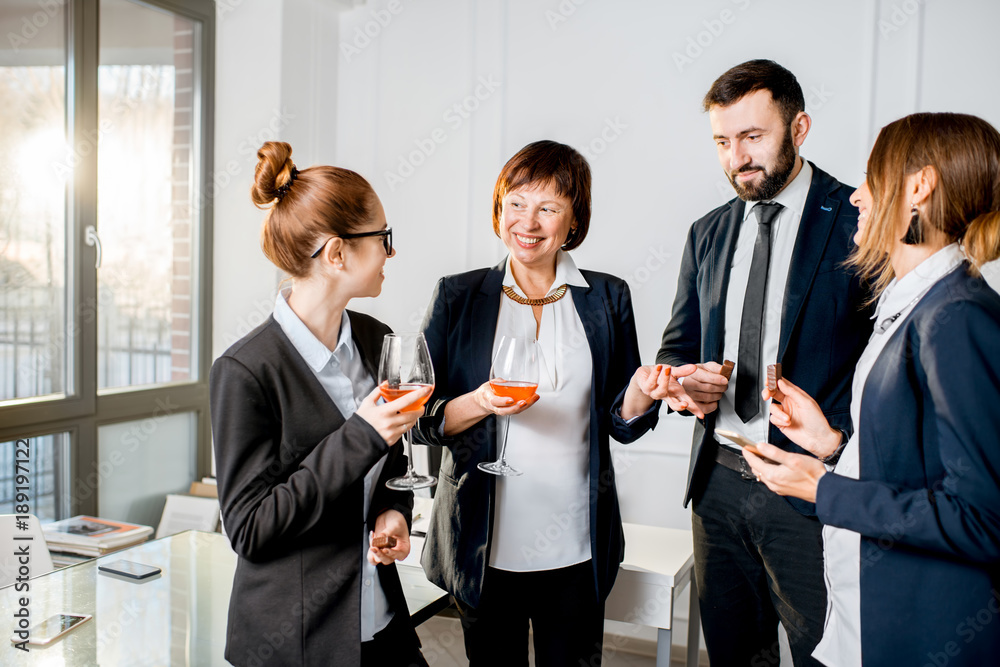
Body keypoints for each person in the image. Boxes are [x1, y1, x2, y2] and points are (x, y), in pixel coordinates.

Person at [623, 60, 874, 665]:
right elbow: (675, 347)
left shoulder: (860, 223)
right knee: (735, 654)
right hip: (717, 484)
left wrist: (836, 450)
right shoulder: (706, 233)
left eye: (753, 137)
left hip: (810, 489)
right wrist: (683, 384)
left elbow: (880, 360)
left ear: (800, 128)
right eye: (723, 141)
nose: (738, 157)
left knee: (827, 654)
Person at [744, 112, 1000, 666]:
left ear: (918, 187)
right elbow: (919, 464)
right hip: (866, 617)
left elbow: (983, 520)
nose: (858, 197)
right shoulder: (914, 303)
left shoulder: (957, 316)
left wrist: (824, 490)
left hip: (917, 632)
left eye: (871, 178)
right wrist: (831, 446)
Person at [413, 140, 677, 666]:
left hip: (576, 545)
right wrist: (481, 402)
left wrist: (642, 395)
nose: (527, 222)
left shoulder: (607, 297)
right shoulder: (457, 296)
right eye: (515, 203)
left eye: (547, 207)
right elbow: (421, 419)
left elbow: (619, 422)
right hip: (483, 544)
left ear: (572, 219)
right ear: (498, 209)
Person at [209, 141, 431, 667]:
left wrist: (393, 513)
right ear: (337, 253)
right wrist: (361, 434)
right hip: (295, 644)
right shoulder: (245, 371)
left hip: (380, 623)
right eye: (383, 238)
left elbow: (392, 465)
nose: (390, 252)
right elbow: (251, 529)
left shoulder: (379, 342)